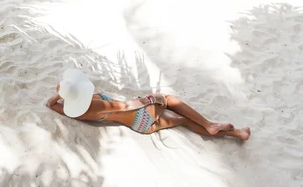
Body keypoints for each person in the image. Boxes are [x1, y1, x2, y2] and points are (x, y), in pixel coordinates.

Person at [47, 69, 250, 140]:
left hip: (140, 126)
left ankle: (236, 133)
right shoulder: (95, 105)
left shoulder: (73, 112)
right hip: (140, 115)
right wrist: (146, 100)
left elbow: (50, 105)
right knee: (168, 99)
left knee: (182, 121)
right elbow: (123, 107)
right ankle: (209, 125)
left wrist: (58, 97)